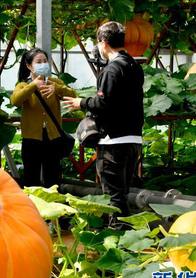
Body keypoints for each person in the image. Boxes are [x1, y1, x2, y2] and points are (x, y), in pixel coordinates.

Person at [62, 22, 144, 226]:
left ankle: (120, 242)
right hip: (134, 139)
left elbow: (105, 103)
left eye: (98, 42)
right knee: (122, 193)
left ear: (103, 43)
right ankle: (127, 241)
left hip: (113, 143)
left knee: (114, 198)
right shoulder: (134, 66)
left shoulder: (111, 70)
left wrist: (81, 102)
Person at [11, 48, 77, 188]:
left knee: (53, 179)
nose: (43, 65)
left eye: (45, 61)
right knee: (31, 179)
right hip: (31, 138)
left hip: (52, 137)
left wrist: (57, 89)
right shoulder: (24, 85)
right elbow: (15, 101)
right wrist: (33, 86)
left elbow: (73, 95)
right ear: (29, 66)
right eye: (39, 62)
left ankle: (55, 207)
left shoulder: (54, 82)